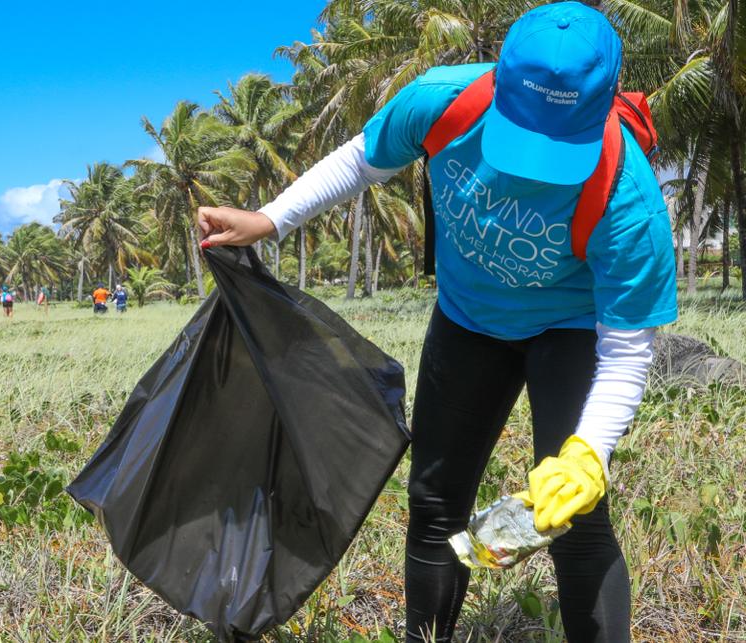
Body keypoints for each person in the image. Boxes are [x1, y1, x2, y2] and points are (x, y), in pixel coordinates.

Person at [197, 4, 676, 642]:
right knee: (434, 503)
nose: (533, 166)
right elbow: (364, 158)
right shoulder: (443, 102)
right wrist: (271, 219)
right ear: (500, 85)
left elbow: (626, 353)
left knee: (577, 522)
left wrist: (588, 455)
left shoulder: (629, 202)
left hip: (569, 329)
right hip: (468, 320)